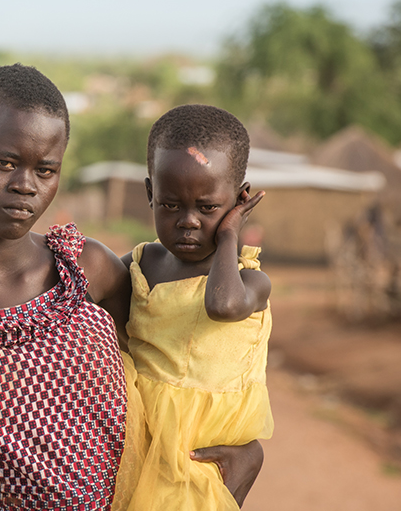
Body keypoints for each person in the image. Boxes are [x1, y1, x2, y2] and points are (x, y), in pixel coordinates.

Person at [0, 65, 263, 511]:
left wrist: (247, 450)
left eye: (46, 169)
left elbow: (173, 377)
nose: (25, 186)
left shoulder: (87, 269)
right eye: (4, 162)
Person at [120, 104, 274, 510]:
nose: (188, 221)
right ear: (151, 193)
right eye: (170, 205)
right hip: (134, 444)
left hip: (200, 461)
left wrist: (228, 238)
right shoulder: (140, 266)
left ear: (240, 200)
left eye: (207, 208)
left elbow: (221, 306)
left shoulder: (250, 282)